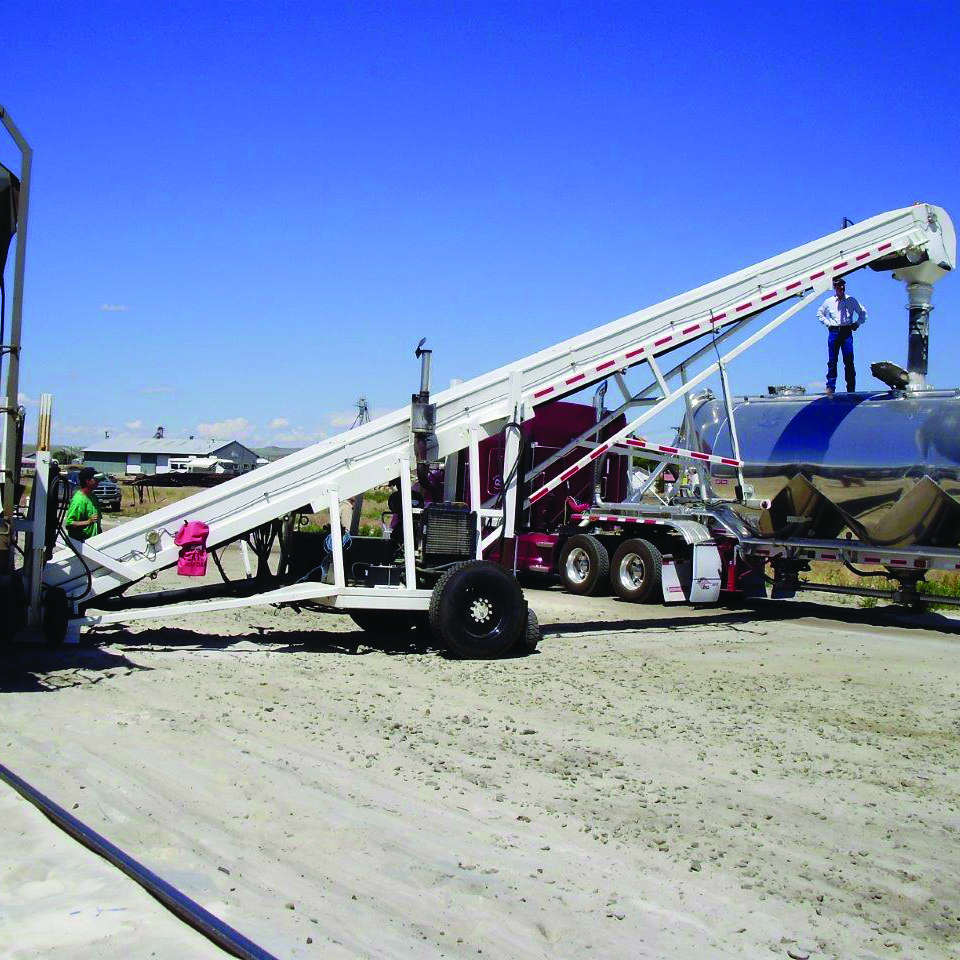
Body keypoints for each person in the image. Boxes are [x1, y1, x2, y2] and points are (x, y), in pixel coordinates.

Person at [817, 276, 867, 395]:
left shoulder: (851, 300)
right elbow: (819, 313)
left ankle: (851, 388)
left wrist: (857, 324)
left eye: (843, 285)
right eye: (839, 285)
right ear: (835, 287)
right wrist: (828, 323)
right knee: (832, 360)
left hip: (846, 331)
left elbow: (863, 313)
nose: (842, 287)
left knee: (849, 360)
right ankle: (830, 387)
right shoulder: (829, 301)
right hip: (834, 331)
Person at [64, 467, 102, 541]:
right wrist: (88, 522)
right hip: (80, 545)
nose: (98, 481)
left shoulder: (93, 496)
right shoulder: (78, 500)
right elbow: (69, 524)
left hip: (94, 543)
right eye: (95, 479)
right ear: (88, 481)